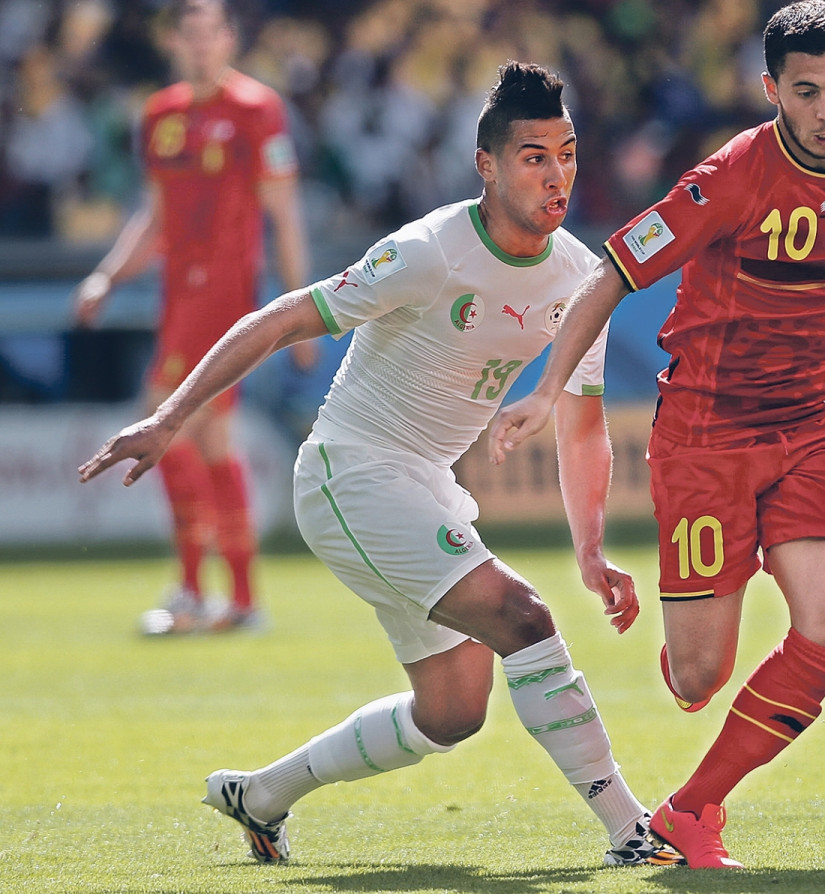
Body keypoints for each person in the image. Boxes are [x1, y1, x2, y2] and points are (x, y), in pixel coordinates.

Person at [79, 61, 681, 869]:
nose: (557, 176)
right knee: (525, 619)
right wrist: (170, 417)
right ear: (487, 165)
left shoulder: (579, 277)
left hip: (424, 486)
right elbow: (281, 319)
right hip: (350, 474)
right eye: (534, 157)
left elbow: (580, 427)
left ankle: (260, 796)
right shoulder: (428, 251)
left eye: (567, 155)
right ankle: (630, 830)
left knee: (453, 712)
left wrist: (591, 549)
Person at [490, 0, 825, 869]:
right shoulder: (730, 176)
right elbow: (611, 273)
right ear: (771, 89)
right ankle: (708, 606)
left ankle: (692, 810)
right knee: (699, 679)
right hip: (707, 433)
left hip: (813, 426)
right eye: (805, 92)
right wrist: (546, 390)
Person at [72, 0, 315, 634]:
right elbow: (153, 218)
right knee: (205, 440)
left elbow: (284, 215)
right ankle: (238, 600)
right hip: (178, 296)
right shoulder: (160, 116)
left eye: (212, 33)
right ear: (172, 41)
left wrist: (302, 311)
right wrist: (106, 277)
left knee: (163, 418)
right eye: (190, 34)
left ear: (230, 39)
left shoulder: (257, 110)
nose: (201, 45)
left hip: (226, 297)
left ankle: (195, 590)